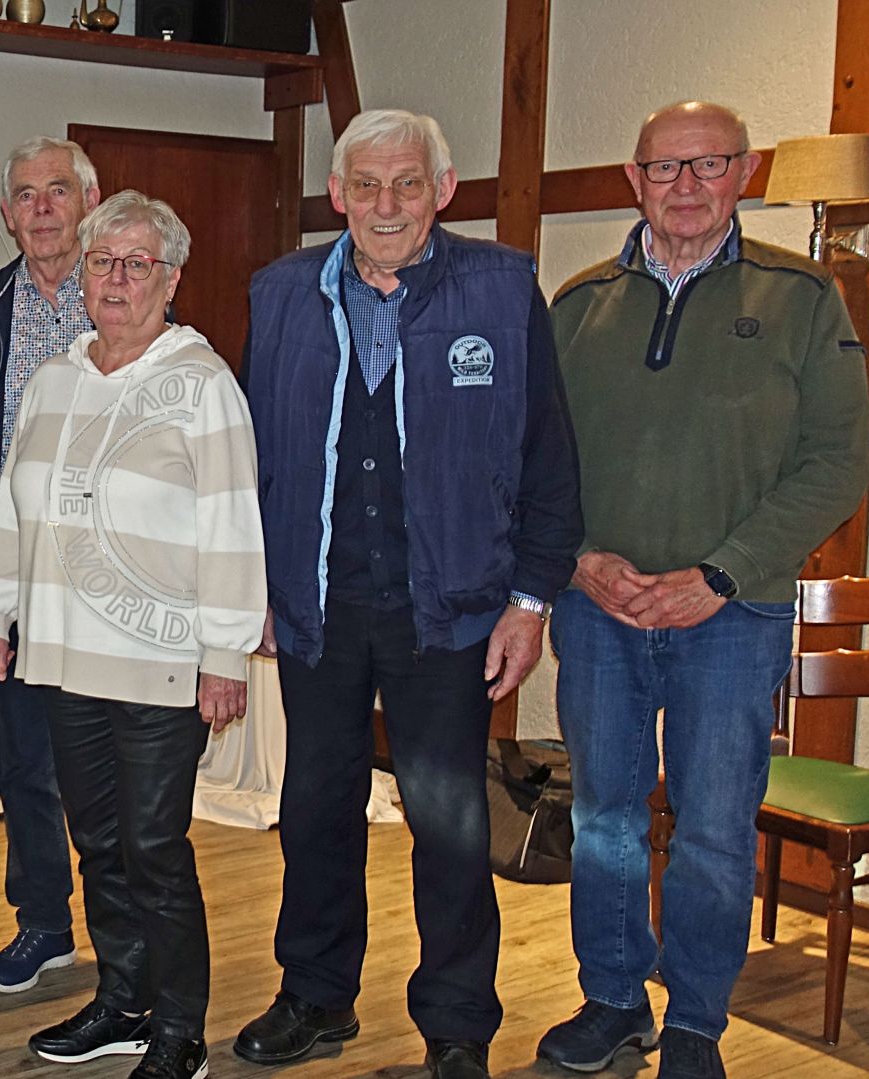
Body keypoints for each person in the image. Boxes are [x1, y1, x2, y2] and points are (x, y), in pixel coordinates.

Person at [235, 108, 582, 1079]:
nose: (386, 204)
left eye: (407, 183)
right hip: (318, 607)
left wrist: (530, 601)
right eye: (366, 185)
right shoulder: (282, 292)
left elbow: (549, 459)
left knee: (450, 822)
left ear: (444, 189)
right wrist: (252, 583)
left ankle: (459, 1026)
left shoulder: (502, 290)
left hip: (451, 612)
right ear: (336, 193)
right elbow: (252, 456)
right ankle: (315, 994)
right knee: (316, 809)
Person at [538, 101, 869, 1079]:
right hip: (598, 610)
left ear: (745, 172)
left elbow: (837, 462)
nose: (686, 185)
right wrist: (580, 560)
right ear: (634, 179)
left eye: (709, 164)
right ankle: (612, 1000)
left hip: (733, 614)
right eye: (665, 167)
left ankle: (695, 1021)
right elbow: (530, 457)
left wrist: (719, 573)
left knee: (716, 827)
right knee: (602, 818)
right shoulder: (578, 304)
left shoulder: (804, 297)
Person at [0, 190, 265, 1079]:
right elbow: (14, 510)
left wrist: (226, 653)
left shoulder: (202, 384)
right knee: (99, 844)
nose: (116, 278)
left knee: (154, 849)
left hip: (163, 667)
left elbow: (232, 525)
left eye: (138, 264)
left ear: (171, 279)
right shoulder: (53, 379)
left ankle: (180, 1029)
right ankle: (124, 999)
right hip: (64, 660)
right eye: (102, 261)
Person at [0, 135, 101, 994]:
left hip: (113, 581)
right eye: (26, 194)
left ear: (90, 202)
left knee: (114, 769)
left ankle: (128, 932)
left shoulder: (130, 300)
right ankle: (44, 922)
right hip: (12, 574)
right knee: (24, 765)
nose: (43, 208)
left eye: (58, 190)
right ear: (6, 213)